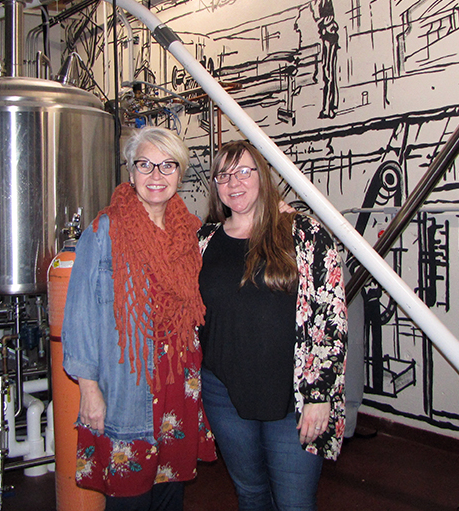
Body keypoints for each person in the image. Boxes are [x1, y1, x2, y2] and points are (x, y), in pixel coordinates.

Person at [62, 126, 216, 511]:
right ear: (130, 173)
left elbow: (239, 240)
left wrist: (277, 211)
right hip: (126, 386)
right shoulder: (102, 232)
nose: (156, 176)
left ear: (180, 174)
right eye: (145, 165)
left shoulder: (193, 233)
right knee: (128, 500)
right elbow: (78, 317)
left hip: (178, 384)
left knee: (169, 497)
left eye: (167, 166)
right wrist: (88, 389)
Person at [197, 140, 347, 511]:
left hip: (294, 397)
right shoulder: (202, 241)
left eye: (245, 171)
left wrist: (320, 395)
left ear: (263, 177)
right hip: (223, 392)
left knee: (295, 502)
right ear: (215, 185)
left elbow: (332, 318)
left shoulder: (304, 235)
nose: (235, 182)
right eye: (224, 175)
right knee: (250, 494)